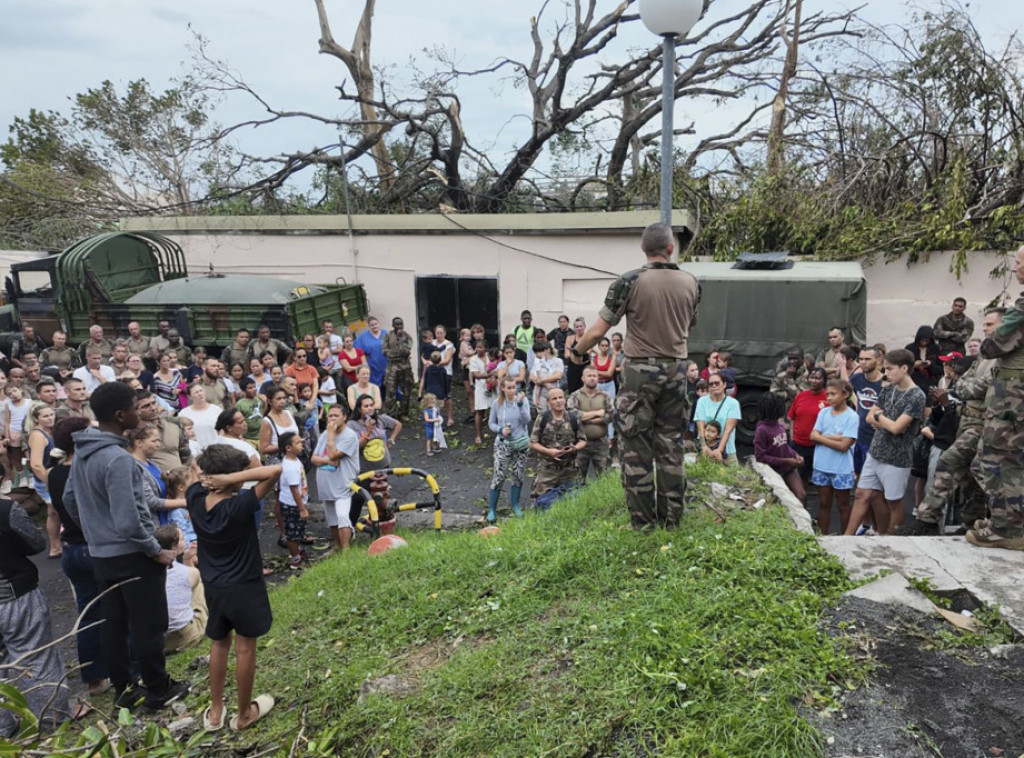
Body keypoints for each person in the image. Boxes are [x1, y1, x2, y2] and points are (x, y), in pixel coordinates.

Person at [63, 382, 189, 711]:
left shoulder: (83, 453)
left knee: (114, 625)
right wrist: (155, 550)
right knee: (149, 625)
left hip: (102, 556)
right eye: (136, 406)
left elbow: (69, 500)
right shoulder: (118, 459)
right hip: (132, 556)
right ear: (121, 416)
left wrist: (95, 531)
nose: (141, 411)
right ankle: (159, 690)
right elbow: (129, 521)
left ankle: (125, 690)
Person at [572, 224, 699, 528]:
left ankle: (643, 523)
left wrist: (577, 351)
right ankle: (671, 520)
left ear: (643, 248)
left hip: (640, 371)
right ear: (671, 248)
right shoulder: (691, 282)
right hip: (677, 369)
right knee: (671, 445)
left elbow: (599, 331)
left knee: (636, 447)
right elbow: (688, 325)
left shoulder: (630, 281)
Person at [189, 444, 281, 731]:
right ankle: (242, 715)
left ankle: (216, 712)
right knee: (245, 648)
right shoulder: (239, 504)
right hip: (243, 584)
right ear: (231, 476)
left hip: (214, 584)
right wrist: (230, 479)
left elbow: (193, 464)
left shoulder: (194, 496)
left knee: (219, 643)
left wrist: (216, 477)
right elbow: (274, 470)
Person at [907, 308, 1002, 536]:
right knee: (970, 477)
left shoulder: (1007, 355)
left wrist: (962, 387)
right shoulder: (985, 353)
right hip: (967, 419)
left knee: (949, 461)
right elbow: (965, 380)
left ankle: (927, 519)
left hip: (986, 422)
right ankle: (971, 522)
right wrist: (962, 387)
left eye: (990, 324)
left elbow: (983, 385)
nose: (985, 328)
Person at [48, 416, 110, 699]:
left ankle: (94, 680)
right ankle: (128, 668)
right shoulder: (86, 469)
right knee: (117, 607)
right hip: (92, 546)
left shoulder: (54, 473)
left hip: (71, 548)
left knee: (88, 614)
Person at [0, 494, 71, 736]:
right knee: (36, 657)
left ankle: (3, 729)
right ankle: (52, 720)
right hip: (13, 592)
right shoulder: (7, 509)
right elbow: (36, 544)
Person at [967, 245, 1024, 550]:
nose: (1014, 268)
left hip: (1012, 399)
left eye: (1018, 263)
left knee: (1001, 459)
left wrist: (992, 336)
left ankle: (1007, 529)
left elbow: (992, 347)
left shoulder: (1022, 308)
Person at [844, 349, 926, 536]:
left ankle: (891, 538)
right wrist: (885, 420)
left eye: (890, 369)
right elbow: (869, 418)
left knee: (894, 502)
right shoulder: (888, 389)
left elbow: (897, 428)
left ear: (904, 368)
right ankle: (847, 538)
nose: (886, 373)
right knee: (862, 494)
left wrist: (881, 417)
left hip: (897, 458)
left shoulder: (917, 396)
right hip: (876, 451)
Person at [809, 379, 859, 534]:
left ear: (846, 395)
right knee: (824, 503)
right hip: (821, 466)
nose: (829, 397)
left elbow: (844, 446)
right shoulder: (823, 412)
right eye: (828, 394)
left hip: (841, 468)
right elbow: (812, 435)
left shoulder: (852, 417)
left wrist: (822, 437)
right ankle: (823, 536)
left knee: (843, 505)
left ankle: (845, 538)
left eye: (833, 394)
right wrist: (836, 437)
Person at [311, 404, 360, 551]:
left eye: (336, 415)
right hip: (326, 483)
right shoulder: (325, 434)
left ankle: (346, 549)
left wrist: (330, 436)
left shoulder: (350, 436)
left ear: (344, 417)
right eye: (330, 415)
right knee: (332, 519)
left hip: (343, 483)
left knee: (342, 516)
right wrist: (326, 460)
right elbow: (314, 458)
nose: (332, 419)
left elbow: (333, 454)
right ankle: (337, 546)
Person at [155, 524, 208, 653]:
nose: (186, 541)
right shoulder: (187, 572)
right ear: (174, 546)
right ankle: (204, 621)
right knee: (198, 586)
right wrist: (188, 559)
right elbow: (192, 580)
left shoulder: (150, 573)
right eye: (183, 539)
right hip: (187, 635)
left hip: (162, 640)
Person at [529, 388, 586, 506]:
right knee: (541, 502)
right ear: (549, 402)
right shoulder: (542, 418)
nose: (558, 401)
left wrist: (574, 449)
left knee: (570, 502)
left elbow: (583, 440)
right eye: (554, 399)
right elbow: (533, 442)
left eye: (560, 397)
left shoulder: (573, 417)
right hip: (547, 470)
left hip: (569, 470)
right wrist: (548, 452)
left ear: (565, 400)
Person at [486, 378, 532, 522]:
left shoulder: (522, 401)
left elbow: (527, 420)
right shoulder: (496, 403)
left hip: (520, 443)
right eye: (510, 387)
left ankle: (515, 505)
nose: (513, 390)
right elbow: (491, 423)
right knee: (499, 475)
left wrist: (519, 405)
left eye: (514, 387)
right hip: (503, 443)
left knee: (518, 474)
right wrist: (500, 429)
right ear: (503, 389)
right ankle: (492, 509)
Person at [260, 387, 299, 544]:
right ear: (270, 401)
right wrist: (285, 446)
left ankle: (298, 529)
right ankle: (284, 532)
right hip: (278, 461)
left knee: (298, 492)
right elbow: (263, 448)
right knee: (282, 498)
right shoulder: (267, 421)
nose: (283, 401)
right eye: (279, 399)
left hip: (294, 458)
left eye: (284, 398)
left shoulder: (289, 413)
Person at [754, 393, 805, 503]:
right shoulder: (762, 430)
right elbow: (760, 457)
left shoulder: (779, 425)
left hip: (787, 467)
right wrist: (786, 461)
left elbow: (784, 446)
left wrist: (796, 455)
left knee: (801, 495)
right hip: (773, 470)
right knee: (778, 501)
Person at [566, 366, 613, 479]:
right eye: (589, 376)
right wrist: (598, 413)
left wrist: (586, 418)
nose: (592, 378)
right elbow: (572, 415)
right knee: (577, 480)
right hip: (580, 444)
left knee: (604, 479)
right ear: (583, 378)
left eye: (594, 376)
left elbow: (611, 415)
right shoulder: (575, 396)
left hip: (601, 444)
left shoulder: (605, 396)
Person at [26, 402, 60, 557]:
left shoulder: (51, 431)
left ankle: (57, 546)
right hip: (45, 479)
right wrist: (49, 483)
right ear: (36, 419)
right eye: (45, 416)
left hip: (54, 476)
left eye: (51, 414)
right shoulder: (38, 436)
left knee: (54, 512)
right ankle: (55, 546)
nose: (50, 418)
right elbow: (36, 464)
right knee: (55, 511)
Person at [786, 367, 828, 480]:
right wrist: (792, 439)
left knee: (818, 480)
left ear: (824, 380)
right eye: (812, 378)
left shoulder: (828, 398)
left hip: (819, 447)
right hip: (798, 445)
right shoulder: (801, 395)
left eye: (818, 378)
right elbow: (792, 418)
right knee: (799, 478)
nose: (814, 381)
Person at [849, 346, 885, 476]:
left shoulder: (886, 383)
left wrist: (883, 421)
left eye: (868, 359)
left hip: (878, 439)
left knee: (874, 480)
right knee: (858, 475)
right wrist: (855, 403)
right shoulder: (856, 379)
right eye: (861, 359)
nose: (863, 362)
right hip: (859, 436)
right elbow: (846, 392)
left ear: (879, 360)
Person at [694, 374, 743, 467]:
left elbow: (728, 429)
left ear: (724, 384)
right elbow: (700, 426)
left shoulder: (733, 403)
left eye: (717, 383)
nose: (714, 386)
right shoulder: (701, 402)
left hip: (727, 451)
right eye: (711, 384)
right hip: (705, 450)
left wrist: (719, 450)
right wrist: (704, 446)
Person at [276, 432, 309, 571]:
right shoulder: (290, 466)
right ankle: (295, 559)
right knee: (293, 533)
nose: (301, 443)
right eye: (297, 442)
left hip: (295, 502)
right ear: (288, 448)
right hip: (292, 504)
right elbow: (294, 489)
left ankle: (297, 551)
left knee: (297, 530)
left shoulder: (294, 460)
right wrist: (302, 508)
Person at [347, 394, 402, 474]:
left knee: (381, 486)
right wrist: (368, 431)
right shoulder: (352, 425)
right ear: (359, 409)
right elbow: (355, 447)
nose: (370, 408)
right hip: (364, 469)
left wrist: (391, 440)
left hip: (383, 464)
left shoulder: (381, 419)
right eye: (366, 406)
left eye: (371, 405)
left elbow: (398, 425)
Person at [382, 317, 414, 418]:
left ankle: (404, 413)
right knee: (390, 391)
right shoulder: (387, 335)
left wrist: (399, 340)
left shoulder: (407, 337)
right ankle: (391, 414)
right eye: (397, 324)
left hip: (405, 368)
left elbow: (406, 351)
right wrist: (395, 354)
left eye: (401, 324)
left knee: (406, 391)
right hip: (392, 368)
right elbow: (384, 351)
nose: (399, 326)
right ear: (393, 325)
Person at [179, 383, 223, 451]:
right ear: (189, 397)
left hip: (216, 450)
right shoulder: (184, 413)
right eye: (196, 392)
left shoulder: (216, 410)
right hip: (195, 451)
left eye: (201, 391)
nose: (200, 394)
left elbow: (222, 430)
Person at [429, 325, 455, 426]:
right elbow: (427, 355)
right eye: (437, 333)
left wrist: (435, 363)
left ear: (445, 333)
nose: (439, 335)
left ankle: (450, 418)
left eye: (441, 333)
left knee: (447, 395)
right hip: (433, 372)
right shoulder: (432, 343)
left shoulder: (449, 344)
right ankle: (435, 417)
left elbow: (447, 359)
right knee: (434, 395)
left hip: (445, 372)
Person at [469, 340, 494, 445]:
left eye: (481, 347)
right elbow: (476, 375)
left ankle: (498, 433)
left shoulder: (491, 356)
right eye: (477, 347)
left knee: (496, 409)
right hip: (480, 387)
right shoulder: (473, 359)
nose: (478, 349)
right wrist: (490, 374)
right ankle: (478, 435)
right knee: (480, 411)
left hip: (493, 386)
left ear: (486, 348)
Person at [4, 385, 30, 488]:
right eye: (9, 394)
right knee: (16, 455)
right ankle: (21, 475)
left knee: (28, 454)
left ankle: (31, 475)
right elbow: (7, 421)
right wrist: (7, 435)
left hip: (27, 431)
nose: (13, 394)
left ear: (21, 390)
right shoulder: (8, 404)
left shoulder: (29, 402)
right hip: (14, 432)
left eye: (14, 391)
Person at [906, 325, 942, 396]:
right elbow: (903, 366)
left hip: (931, 384)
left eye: (927, 340)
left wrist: (930, 365)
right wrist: (914, 365)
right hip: (913, 383)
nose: (924, 342)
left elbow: (941, 369)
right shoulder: (910, 348)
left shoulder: (936, 349)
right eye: (922, 340)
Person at [355, 317, 388, 390]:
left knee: (390, 383)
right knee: (375, 385)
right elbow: (357, 350)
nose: (374, 326)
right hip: (373, 365)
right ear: (369, 326)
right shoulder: (363, 337)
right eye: (372, 325)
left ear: (379, 324)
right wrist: (364, 359)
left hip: (386, 363)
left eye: (376, 324)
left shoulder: (386, 334)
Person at [529, 342, 564, 412]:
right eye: (536, 352)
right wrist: (545, 384)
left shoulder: (558, 361)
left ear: (547, 350)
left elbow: (558, 375)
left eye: (539, 351)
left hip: (554, 391)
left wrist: (542, 380)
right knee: (542, 415)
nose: (537, 354)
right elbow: (532, 376)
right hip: (540, 393)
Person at [563, 317, 590, 395]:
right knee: (573, 391)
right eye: (577, 327)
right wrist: (578, 353)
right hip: (573, 368)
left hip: (584, 367)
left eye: (581, 326)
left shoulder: (588, 338)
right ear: (574, 328)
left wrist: (574, 353)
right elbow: (566, 354)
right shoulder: (570, 338)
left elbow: (588, 351)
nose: (579, 328)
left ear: (584, 326)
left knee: (585, 391)